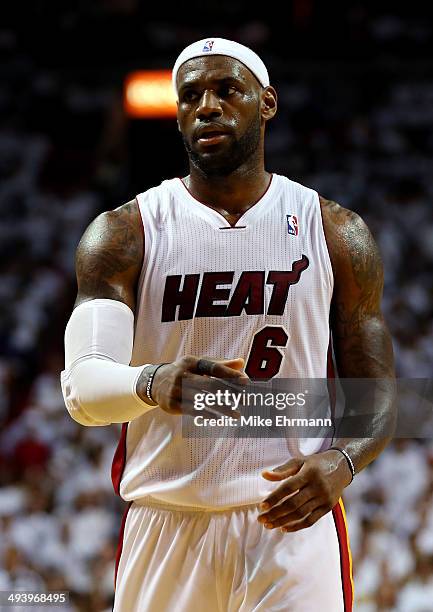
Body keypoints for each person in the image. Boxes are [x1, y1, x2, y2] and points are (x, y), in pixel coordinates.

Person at [60, 37, 396, 611]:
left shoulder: (336, 232)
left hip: (290, 525)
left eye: (225, 91)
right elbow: (84, 390)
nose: (206, 107)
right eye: (190, 96)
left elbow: (379, 392)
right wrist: (152, 381)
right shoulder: (124, 233)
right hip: (166, 522)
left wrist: (343, 461)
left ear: (266, 103)